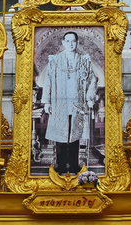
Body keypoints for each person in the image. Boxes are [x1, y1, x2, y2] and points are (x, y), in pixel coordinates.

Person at [41, 30, 98, 175]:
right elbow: (48, 81)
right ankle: (60, 165)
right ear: (63, 43)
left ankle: (73, 165)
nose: (71, 44)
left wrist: (89, 96)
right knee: (61, 135)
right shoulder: (55, 60)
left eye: (74, 41)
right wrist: (47, 102)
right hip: (59, 102)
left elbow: (93, 79)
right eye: (68, 41)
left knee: (74, 135)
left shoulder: (84, 60)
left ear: (77, 43)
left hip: (77, 104)